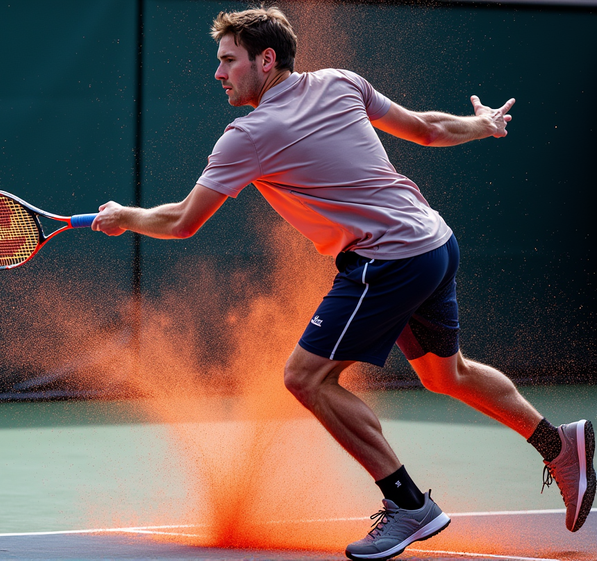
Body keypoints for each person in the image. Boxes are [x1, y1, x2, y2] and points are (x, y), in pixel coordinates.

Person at [91, 6, 595, 560]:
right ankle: (559, 444)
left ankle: (407, 505)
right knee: (447, 375)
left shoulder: (249, 134)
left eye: (228, 60)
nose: (218, 73)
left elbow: (183, 222)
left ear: (266, 59)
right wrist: (483, 124)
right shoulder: (340, 81)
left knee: (307, 378)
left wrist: (124, 216)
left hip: (388, 260)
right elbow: (427, 129)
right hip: (433, 241)